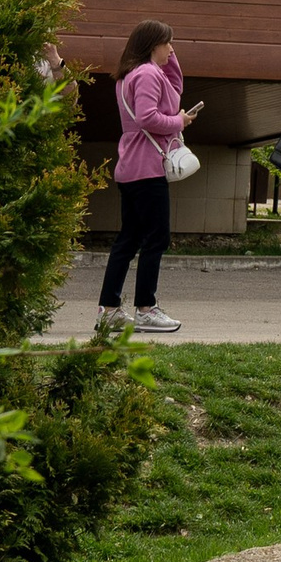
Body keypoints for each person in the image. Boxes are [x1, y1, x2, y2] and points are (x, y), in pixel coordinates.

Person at [97, 18, 194, 337]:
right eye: (168, 43)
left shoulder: (129, 75)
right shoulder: (148, 73)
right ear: (153, 45)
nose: (171, 49)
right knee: (157, 237)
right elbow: (148, 117)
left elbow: (174, 86)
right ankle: (146, 309)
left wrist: (170, 59)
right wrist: (178, 121)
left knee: (129, 238)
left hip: (131, 166)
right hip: (147, 168)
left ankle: (109, 310)